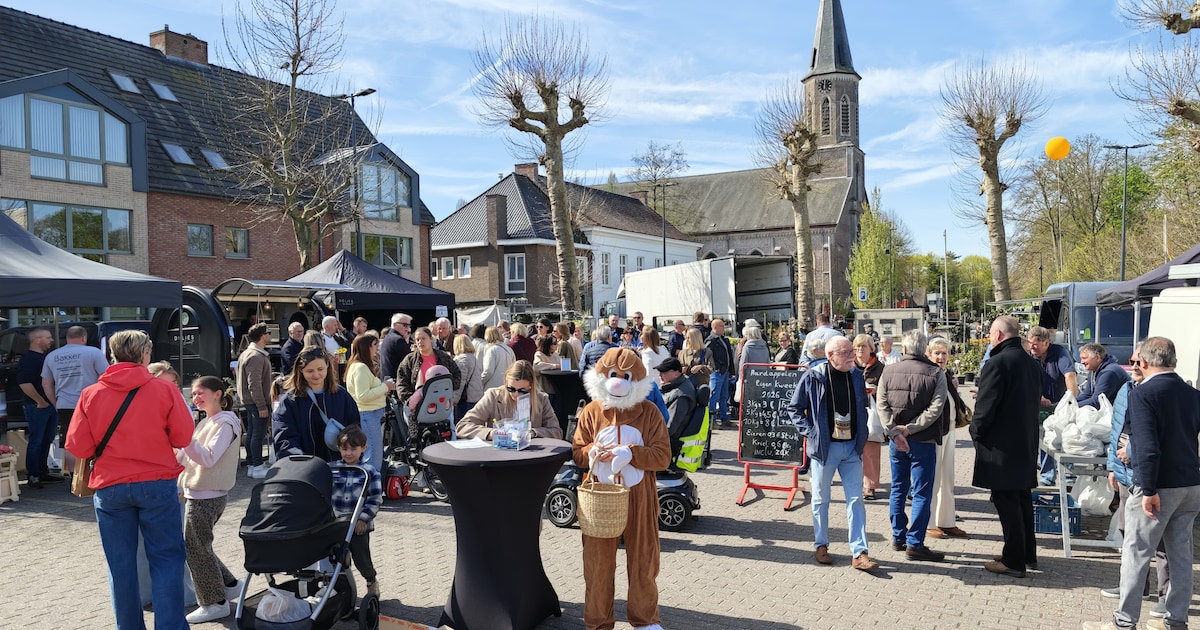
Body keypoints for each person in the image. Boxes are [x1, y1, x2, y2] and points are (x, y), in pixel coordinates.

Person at [66, 329, 194, 628]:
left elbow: (78, 447)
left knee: (121, 567)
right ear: (145, 354)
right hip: (156, 482)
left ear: (112, 354)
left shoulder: (91, 393)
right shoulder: (164, 390)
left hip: (110, 487)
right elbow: (183, 436)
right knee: (166, 561)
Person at [1083, 337, 1200, 630]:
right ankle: (1175, 620)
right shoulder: (1192, 393)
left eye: (1137, 362)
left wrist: (1147, 490)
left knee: (1137, 553)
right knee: (1181, 555)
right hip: (1189, 484)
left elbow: (1146, 446)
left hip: (1157, 485)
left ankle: (1124, 621)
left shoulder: (1143, 393)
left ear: (1145, 363)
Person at [574, 348, 672, 630]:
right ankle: (598, 622)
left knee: (643, 561)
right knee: (597, 565)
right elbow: (578, 451)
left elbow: (662, 456)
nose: (618, 382)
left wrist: (632, 454)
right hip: (599, 499)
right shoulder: (592, 411)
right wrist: (592, 452)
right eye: (613, 375)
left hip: (639, 497)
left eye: (626, 377)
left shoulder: (650, 412)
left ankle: (644, 620)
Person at [788, 335, 877, 571]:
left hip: (851, 449)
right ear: (830, 356)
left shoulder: (857, 376)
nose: (852, 356)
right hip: (824, 450)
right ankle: (821, 545)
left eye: (852, 352)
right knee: (820, 500)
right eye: (846, 352)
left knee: (856, 500)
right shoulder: (813, 376)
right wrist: (811, 433)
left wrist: (862, 433)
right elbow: (794, 408)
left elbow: (863, 407)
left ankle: (859, 553)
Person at [971, 315, 1042, 578]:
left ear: (999, 335)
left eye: (990, 334)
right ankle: (1026, 553)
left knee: (1006, 500)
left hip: (1001, 446)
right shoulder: (1031, 363)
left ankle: (1013, 560)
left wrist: (975, 431)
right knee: (1021, 498)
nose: (990, 339)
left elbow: (985, 407)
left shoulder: (998, 362)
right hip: (1025, 441)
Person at [1099, 349, 1169, 608]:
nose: (1135, 366)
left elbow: (1157, 436)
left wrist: (1129, 451)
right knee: (1128, 536)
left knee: (1161, 542)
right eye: (1132, 362)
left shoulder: (1160, 392)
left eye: (1139, 362)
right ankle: (1136, 588)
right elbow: (1115, 429)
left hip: (1151, 478)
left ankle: (1166, 597)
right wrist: (1112, 466)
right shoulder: (1125, 389)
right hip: (1126, 476)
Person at [875, 330, 948, 562]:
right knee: (921, 492)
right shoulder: (936, 373)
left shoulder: (888, 370)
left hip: (897, 441)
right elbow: (936, 409)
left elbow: (881, 405)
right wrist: (910, 428)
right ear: (925, 349)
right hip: (923, 440)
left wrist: (894, 431)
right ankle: (915, 542)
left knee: (898, 487)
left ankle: (898, 536)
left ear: (904, 349)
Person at [179, 375, 244, 624]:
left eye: (200, 393)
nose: (195, 398)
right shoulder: (209, 421)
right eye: (193, 394)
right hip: (201, 492)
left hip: (208, 495)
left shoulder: (224, 423)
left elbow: (207, 458)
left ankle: (214, 603)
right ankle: (229, 585)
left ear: (218, 394)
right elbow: (187, 458)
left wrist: (184, 439)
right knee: (199, 546)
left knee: (195, 548)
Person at [42, 325, 109, 480]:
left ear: (67, 338)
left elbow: (46, 383)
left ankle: (74, 477)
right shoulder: (94, 353)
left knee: (69, 440)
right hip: (92, 404)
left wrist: (55, 403)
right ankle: (95, 473)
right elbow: (106, 377)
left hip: (65, 404)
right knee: (96, 437)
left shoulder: (52, 356)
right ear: (84, 337)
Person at [272, 347, 362, 462]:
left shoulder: (341, 396)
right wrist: (298, 458)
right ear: (301, 370)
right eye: (310, 371)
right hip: (305, 469)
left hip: (339, 465)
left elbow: (354, 428)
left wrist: (351, 453)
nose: (316, 375)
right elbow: (284, 435)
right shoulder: (290, 401)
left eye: (320, 369)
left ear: (327, 366)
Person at [330, 425, 384, 598]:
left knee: (362, 559)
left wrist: (363, 518)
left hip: (358, 526)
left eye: (353, 449)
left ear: (363, 448)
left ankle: (371, 580)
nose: (348, 453)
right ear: (338, 448)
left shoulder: (370, 472)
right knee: (336, 560)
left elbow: (375, 498)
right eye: (344, 449)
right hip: (337, 524)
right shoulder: (332, 469)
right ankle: (341, 589)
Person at [925, 336, 969, 539]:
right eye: (937, 353)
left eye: (944, 353)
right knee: (933, 479)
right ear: (929, 354)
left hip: (949, 430)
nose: (941, 357)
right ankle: (930, 522)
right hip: (934, 433)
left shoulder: (946, 374)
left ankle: (947, 521)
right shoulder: (928, 374)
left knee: (948, 478)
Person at [455, 361, 564, 440]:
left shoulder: (541, 399)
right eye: (511, 389)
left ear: (531, 386)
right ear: (505, 382)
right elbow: (463, 426)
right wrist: (492, 433)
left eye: (522, 391)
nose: (515, 394)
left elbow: (556, 432)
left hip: (530, 458)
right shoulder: (493, 396)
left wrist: (533, 433)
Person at [1028, 325, 1078, 486]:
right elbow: (1026, 379)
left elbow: (1070, 375)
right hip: (1039, 405)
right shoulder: (1029, 356)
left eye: (1035, 344)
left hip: (1059, 405)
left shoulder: (1059, 353)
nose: (1032, 347)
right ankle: (1047, 477)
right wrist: (1039, 396)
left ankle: (1069, 478)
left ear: (1046, 343)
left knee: (1065, 438)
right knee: (1044, 439)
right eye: (1030, 343)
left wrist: (1069, 400)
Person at [344, 334, 396, 470]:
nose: (377, 348)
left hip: (368, 414)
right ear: (365, 347)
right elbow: (363, 395)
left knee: (371, 453)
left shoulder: (357, 366)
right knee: (373, 455)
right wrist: (386, 386)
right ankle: (373, 487)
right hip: (368, 414)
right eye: (374, 345)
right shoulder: (361, 367)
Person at [18, 327, 58, 488]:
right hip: (36, 406)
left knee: (47, 440)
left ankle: (43, 472)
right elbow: (24, 383)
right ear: (37, 340)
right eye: (48, 338)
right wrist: (40, 401)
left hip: (49, 405)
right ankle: (33, 475)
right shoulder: (29, 359)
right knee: (36, 440)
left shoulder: (44, 357)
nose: (51, 340)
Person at [396, 327, 462, 416]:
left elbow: (457, 374)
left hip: (442, 404)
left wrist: (449, 387)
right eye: (417, 339)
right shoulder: (409, 360)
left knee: (449, 429)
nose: (420, 342)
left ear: (431, 339)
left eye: (423, 338)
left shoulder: (443, 357)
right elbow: (401, 381)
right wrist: (409, 399)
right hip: (417, 407)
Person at [236, 322, 274, 479]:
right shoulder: (256, 356)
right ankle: (257, 466)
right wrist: (261, 405)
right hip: (257, 401)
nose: (270, 336)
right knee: (257, 434)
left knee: (253, 433)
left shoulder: (249, 353)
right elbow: (254, 383)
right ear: (263, 336)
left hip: (251, 400)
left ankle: (253, 464)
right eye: (268, 333)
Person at [853, 334, 884, 501]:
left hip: (872, 414)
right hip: (852, 414)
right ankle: (854, 483)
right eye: (857, 347)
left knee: (871, 451)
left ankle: (870, 486)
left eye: (863, 347)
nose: (859, 350)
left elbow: (887, 390)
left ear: (871, 349)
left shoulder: (880, 368)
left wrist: (875, 390)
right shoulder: (849, 366)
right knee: (853, 452)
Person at [657, 357, 697, 451]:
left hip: (666, 444)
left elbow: (670, 429)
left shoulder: (681, 396)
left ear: (676, 373)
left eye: (664, 372)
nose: (659, 375)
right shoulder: (677, 385)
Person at [1077, 342, 1132, 409]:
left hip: (1121, 411)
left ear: (1097, 357)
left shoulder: (1109, 372)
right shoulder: (1093, 371)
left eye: (1084, 358)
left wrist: (1073, 407)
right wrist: (1070, 403)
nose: (1081, 362)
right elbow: (1087, 394)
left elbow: (1097, 401)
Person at [705, 318, 735, 429]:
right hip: (717, 372)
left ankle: (724, 419)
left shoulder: (724, 339)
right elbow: (707, 355)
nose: (724, 328)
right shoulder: (711, 340)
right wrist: (716, 366)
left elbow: (729, 355)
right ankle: (711, 420)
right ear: (715, 327)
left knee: (724, 396)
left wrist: (730, 370)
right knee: (714, 396)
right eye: (722, 326)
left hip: (725, 372)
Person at [734, 325, 769, 405]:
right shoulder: (764, 347)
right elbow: (768, 363)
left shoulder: (747, 347)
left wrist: (741, 377)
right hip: (762, 377)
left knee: (749, 401)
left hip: (749, 378)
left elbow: (743, 364)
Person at [452, 335, 484, 420]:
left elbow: (461, 381)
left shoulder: (462, 360)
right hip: (477, 396)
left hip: (466, 398)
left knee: (463, 425)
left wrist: (454, 399)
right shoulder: (473, 358)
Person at [379, 313, 413, 382]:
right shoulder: (398, 340)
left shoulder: (388, 337)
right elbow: (410, 361)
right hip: (396, 382)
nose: (408, 329)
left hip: (388, 380)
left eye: (409, 325)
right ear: (395, 325)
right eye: (405, 325)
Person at [480, 326, 516, 390]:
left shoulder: (491, 350)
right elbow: (513, 367)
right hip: (507, 384)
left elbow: (488, 371)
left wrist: (480, 381)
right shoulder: (509, 349)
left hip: (493, 387)